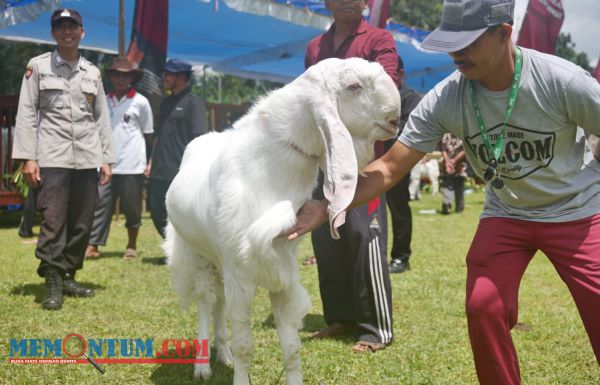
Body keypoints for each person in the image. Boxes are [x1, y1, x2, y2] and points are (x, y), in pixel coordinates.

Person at [288, 0, 600, 383]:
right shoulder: (447, 97)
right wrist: (327, 203)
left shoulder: (561, 80)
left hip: (577, 212)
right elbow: (388, 168)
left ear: (504, 33)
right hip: (508, 213)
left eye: (468, 42)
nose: (457, 53)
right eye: (451, 42)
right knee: (483, 306)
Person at [304, 0, 397, 353]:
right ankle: (339, 318)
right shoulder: (315, 47)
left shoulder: (379, 39)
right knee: (327, 238)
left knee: (364, 234)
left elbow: (386, 90)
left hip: (363, 159)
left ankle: (376, 328)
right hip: (323, 157)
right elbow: (308, 98)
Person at [12, 8, 114, 310]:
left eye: (72, 27)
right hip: (52, 156)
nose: (66, 32)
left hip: (86, 157)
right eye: (60, 27)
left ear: (82, 32)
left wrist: (107, 159)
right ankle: (53, 278)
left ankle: (68, 272)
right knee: (54, 221)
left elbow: (101, 118)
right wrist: (28, 158)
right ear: (53, 33)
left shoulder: (92, 73)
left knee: (83, 223)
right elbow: (27, 112)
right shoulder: (38, 67)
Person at [84, 57, 153, 260]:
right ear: (111, 77)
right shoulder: (103, 100)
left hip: (132, 164)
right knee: (100, 205)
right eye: (117, 75)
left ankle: (131, 245)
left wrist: (149, 162)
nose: (121, 79)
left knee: (132, 208)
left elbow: (148, 135)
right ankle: (93, 245)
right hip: (106, 164)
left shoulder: (141, 102)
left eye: (125, 75)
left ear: (132, 77)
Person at [145, 59, 206, 263]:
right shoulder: (165, 103)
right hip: (160, 167)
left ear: (181, 77)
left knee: (179, 213)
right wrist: (151, 162)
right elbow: (159, 135)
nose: (165, 78)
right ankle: (176, 249)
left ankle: (187, 253)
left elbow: (199, 139)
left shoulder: (194, 103)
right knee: (155, 207)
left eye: (169, 74)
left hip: (181, 170)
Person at [384, 56, 423, 274]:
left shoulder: (410, 99)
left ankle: (400, 257)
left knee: (398, 210)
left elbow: (409, 135)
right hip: (367, 162)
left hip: (395, 164)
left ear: (399, 74)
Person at [439, 133, 466, 214]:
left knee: (459, 186)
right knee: (446, 184)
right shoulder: (445, 135)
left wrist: (453, 161)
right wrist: (448, 162)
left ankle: (459, 208)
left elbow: (464, 150)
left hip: (460, 165)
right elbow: (443, 149)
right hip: (446, 165)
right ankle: (447, 205)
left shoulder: (462, 134)